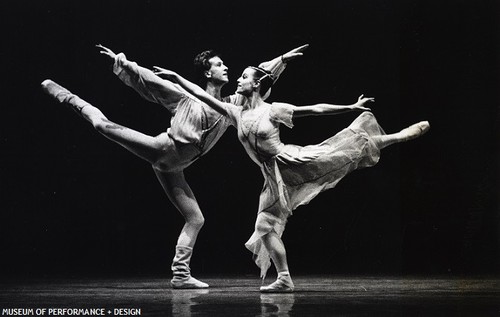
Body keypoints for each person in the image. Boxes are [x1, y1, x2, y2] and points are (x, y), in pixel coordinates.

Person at [41, 44, 308, 289]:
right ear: (207, 71)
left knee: (195, 218)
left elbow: (259, 78)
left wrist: (282, 60)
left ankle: (180, 275)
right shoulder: (184, 97)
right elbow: (149, 81)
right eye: (219, 64)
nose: (226, 67)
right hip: (160, 150)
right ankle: (65, 95)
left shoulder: (231, 105)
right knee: (100, 124)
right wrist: (121, 62)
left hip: (175, 167)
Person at [152, 64, 430, 293]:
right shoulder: (236, 112)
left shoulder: (273, 110)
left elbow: (314, 109)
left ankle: (396, 137)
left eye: (245, 77)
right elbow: (204, 98)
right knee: (264, 226)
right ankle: (284, 278)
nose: (238, 78)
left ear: (257, 84)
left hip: (293, 162)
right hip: (272, 176)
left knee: (344, 151)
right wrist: (177, 78)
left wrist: (350, 106)